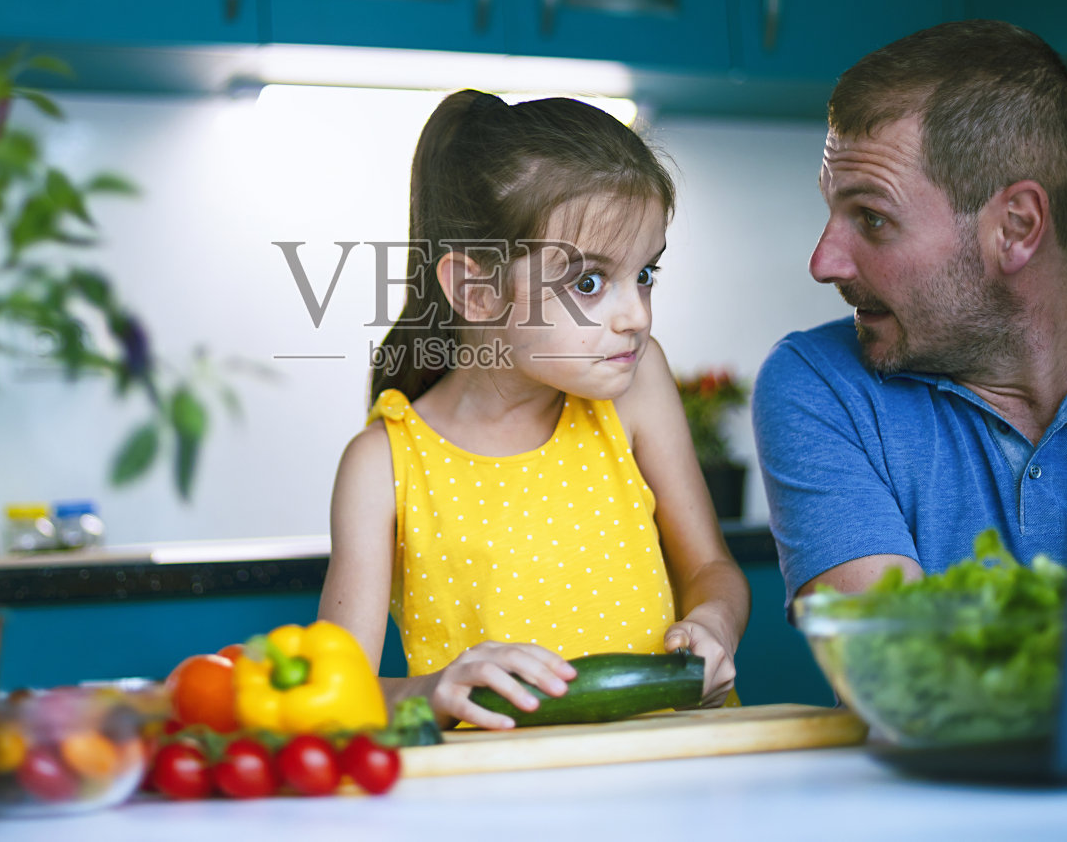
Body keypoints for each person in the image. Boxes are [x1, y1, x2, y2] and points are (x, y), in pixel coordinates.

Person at [753, 19, 1067, 613]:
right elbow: (900, 658)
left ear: (1016, 228)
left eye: (872, 218)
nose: (823, 263)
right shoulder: (821, 383)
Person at [319, 90, 749, 729]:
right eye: (588, 282)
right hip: (502, 788)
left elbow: (711, 567)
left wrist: (714, 621)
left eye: (645, 275)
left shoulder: (635, 388)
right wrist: (434, 691)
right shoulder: (383, 463)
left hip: (676, 763)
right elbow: (335, 693)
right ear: (477, 290)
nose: (636, 315)